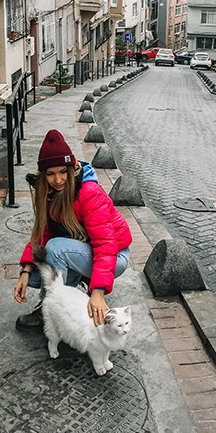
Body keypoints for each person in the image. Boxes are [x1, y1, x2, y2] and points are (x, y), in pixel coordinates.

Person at [14, 129, 132, 331]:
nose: (58, 180)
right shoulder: (49, 193)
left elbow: (105, 244)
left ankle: (50, 311)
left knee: (56, 249)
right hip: (84, 248)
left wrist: (98, 292)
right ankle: (69, 296)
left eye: (63, 172)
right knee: (35, 274)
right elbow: (42, 233)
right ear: (44, 175)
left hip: (115, 255)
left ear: (72, 168)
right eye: (50, 174)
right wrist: (26, 270)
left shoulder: (89, 194)